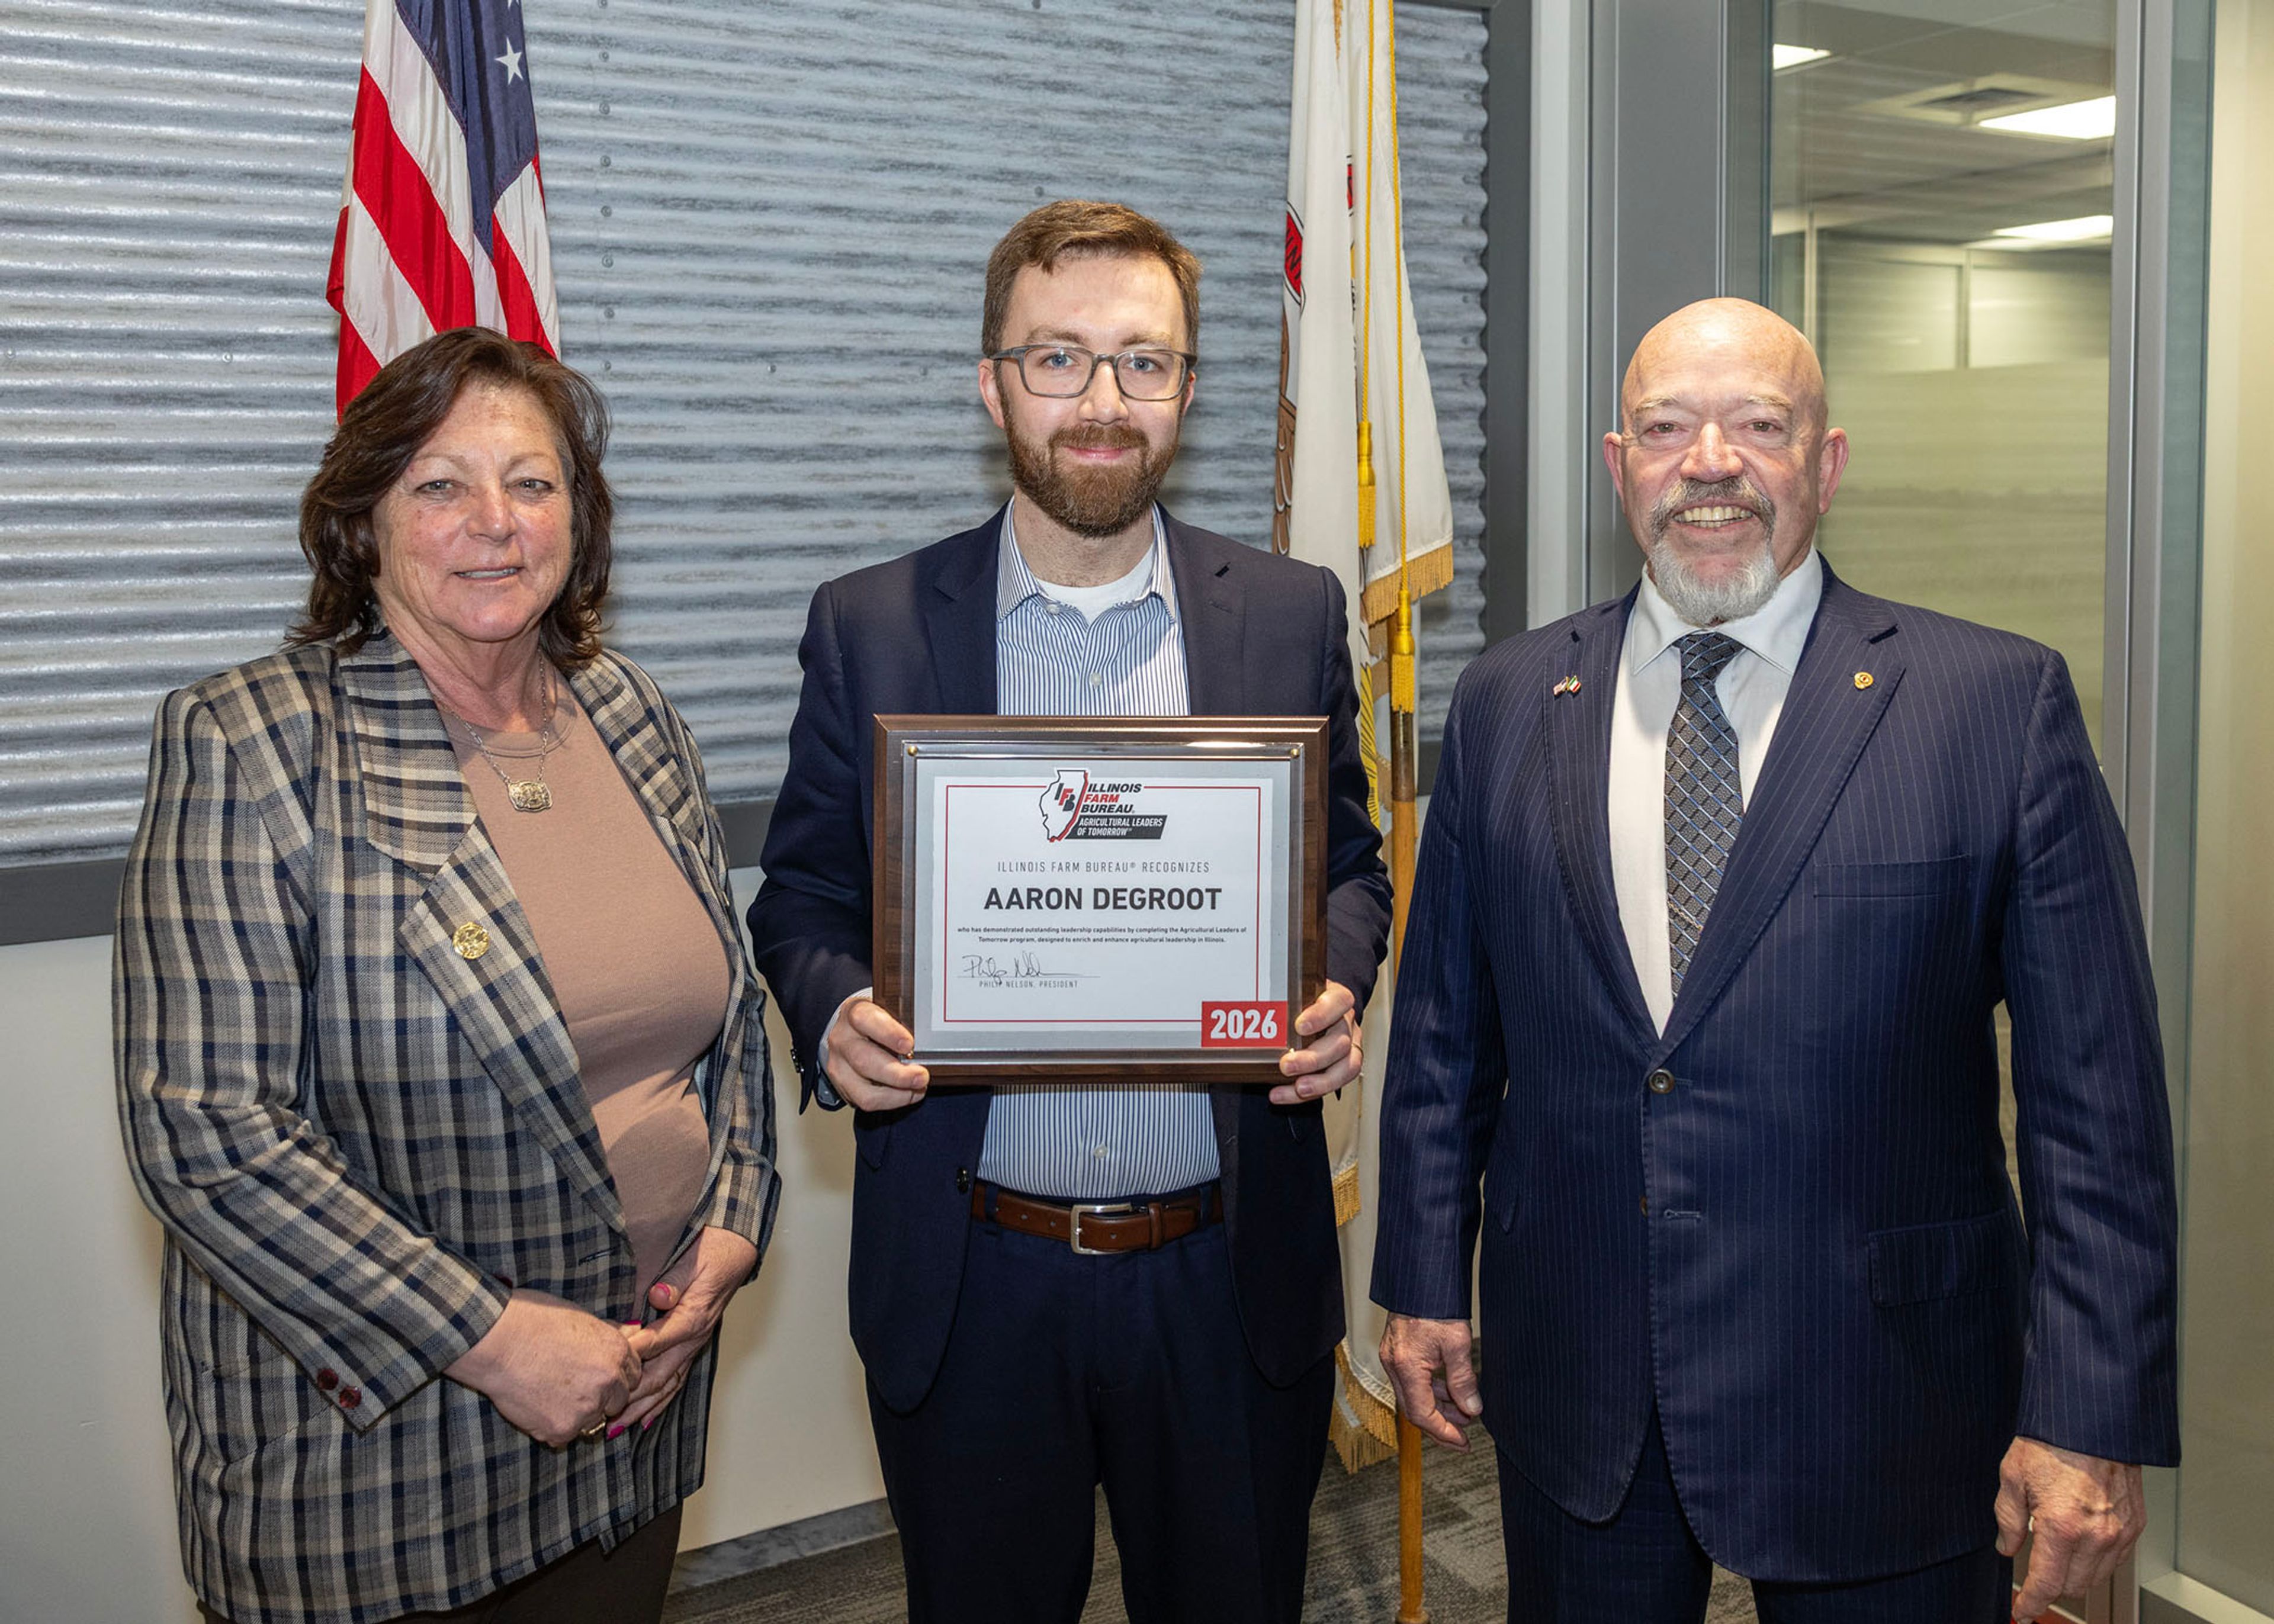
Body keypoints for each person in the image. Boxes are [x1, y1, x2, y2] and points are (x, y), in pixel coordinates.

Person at [1370, 297, 2177, 1624]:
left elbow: (2100, 1109)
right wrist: (1417, 1280)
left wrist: (2089, 1417)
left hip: (1886, 1385)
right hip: (1584, 1368)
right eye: (1670, 428)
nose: (1712, 462)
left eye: (1761, 425)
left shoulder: (1992, 704)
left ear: (1829, 462)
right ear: (1621, 461)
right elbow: (1448, 1034)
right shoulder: (1512, 698)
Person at [747, 199, 1392, 1624]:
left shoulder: (1288, 611)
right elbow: (800, 894)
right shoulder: (872, 623)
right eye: (1059, 359)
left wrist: (1332, 976)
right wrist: (836, 1006)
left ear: (1188, 388)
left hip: (1225, 1274)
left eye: (1143, 363)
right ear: (994, 384)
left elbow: (1351, 865)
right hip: (977, 1277)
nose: (1103, 403)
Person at [114, 326, 780, 1624]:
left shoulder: (632, 712)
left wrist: (735, 1231)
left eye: (533, 484)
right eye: (440, 485)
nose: (496, 523)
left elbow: (733, 1016)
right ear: (364, 523)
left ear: (577, 520)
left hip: (635, 1417)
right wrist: (496, 1336)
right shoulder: (253, 742)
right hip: (388, 1467)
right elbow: (202, 1130)